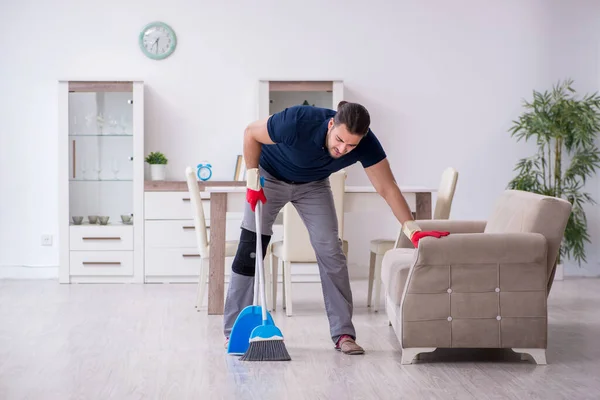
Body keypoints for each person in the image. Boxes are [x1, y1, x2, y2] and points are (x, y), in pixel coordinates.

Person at [224, 101, 449, 355]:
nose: (343, 149)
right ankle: (234, 332)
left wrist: (413, 230)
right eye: (339, 140)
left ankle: (343, 333)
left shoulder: (367, 143)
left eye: (351, 145)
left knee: (331, 250)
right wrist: (253, 180)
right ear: (331, 124)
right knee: (250, 249)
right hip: (270, 177)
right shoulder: (297, 121)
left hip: (313, 185)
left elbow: (387, 187)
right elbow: (251, 133)